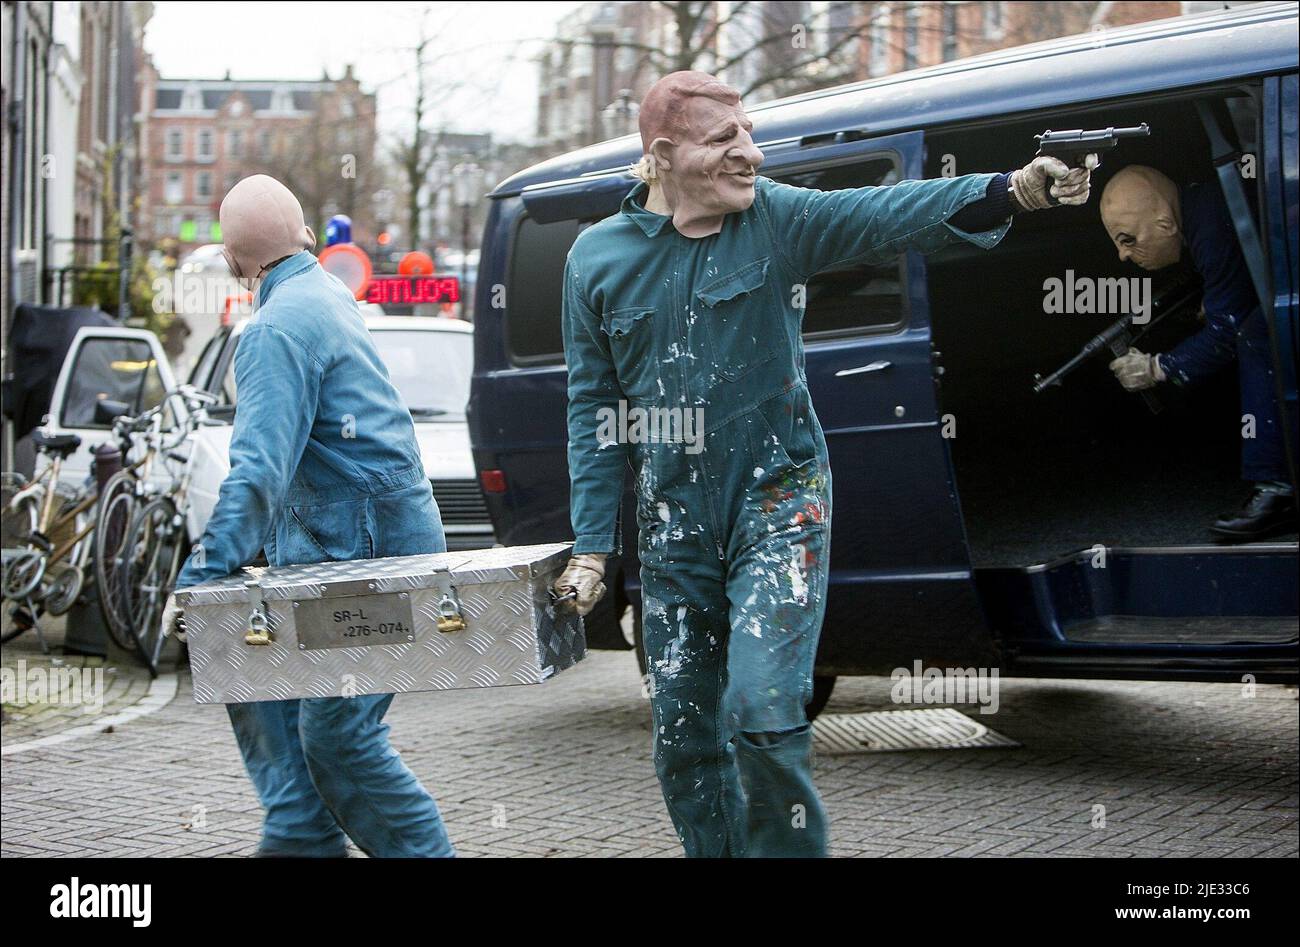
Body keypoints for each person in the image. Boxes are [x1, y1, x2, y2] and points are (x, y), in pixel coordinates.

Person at [551, 71, 1094, 857]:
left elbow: (887, 212)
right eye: (722, 141)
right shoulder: (594, 260)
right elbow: (591, 407)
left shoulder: (777, 220)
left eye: (748, 132)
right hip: (673, 530)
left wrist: (1015, 191)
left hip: (779, 502)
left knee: (764, 705)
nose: (750, 154)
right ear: (663, 155)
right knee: (683, 740)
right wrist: (594, 544)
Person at [160, 175, 455, 858]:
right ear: (305, 236)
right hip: (368, 546)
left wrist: (203, 574)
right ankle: (302, 838)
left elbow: (259, 469)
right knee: (285, 724)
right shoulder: (327, 295)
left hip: (359, 558)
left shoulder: (271, 328)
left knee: (339, 740)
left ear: (235, 264)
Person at [1101, 165, 1296, 541]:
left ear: (1165, 224)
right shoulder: (1205, 206)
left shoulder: (1209, 225)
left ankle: (1277, 489)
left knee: (1257, 333)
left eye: (1127, 239)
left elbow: (1226, 332)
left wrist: (1157, 367)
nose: (1123, 254)